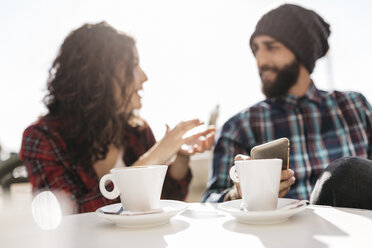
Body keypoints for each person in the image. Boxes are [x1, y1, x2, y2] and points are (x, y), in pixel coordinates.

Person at [20, 22, 215, 213]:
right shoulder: (41, 138)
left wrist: (180, 157)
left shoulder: (137, 131)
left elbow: (164, 201)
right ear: (97, 76)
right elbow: (72, 216)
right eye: (132, 66)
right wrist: (155, 156)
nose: (144, 77)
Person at [202, 4, 372, 209]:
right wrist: (237, 194)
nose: (260, 60)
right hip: (281, 238)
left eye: (271, 47)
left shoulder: (354, 106)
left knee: (348, 173)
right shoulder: (239, 127)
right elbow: (208, 203)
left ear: (301, 53)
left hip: (357, 234)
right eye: (256, 50)